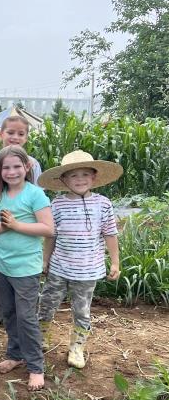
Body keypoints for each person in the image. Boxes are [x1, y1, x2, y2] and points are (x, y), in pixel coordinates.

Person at [37, 150, 122, 369]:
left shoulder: (103, 204)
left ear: (94, 177)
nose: (80, 179)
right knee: (47, 303)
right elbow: (51, 236)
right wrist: (45, 261)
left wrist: (115, 262)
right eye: (74, 175)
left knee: (82, 310)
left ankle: (77, 347)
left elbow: (110, 234)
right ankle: (42, 336)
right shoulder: (57, 204)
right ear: (63, 179)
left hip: (88, 271)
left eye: (85, 174)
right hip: (59, 268)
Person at [0, 145, 54, 391]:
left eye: (16, 166)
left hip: (26, 268)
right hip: (2, 265)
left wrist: (15, 225)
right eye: (6, 168)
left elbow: (47, 229)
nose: (11, 172)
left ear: (27, 167)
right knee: (10, 313)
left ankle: (36, 366)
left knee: (26, 317)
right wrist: (4, 226)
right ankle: (15, 354)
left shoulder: (35, 194)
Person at [0, 115, 43, 329]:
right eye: (10, 132)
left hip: (24, 229)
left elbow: (37, 199)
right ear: (0, 134)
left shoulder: (32, 164)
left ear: (26, 137)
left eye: (20, 134)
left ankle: (26, 313)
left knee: (25, 273)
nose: (15, 137)